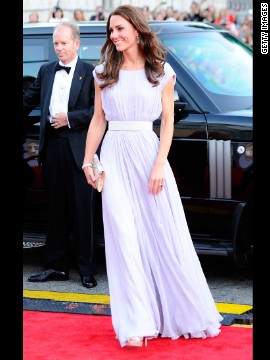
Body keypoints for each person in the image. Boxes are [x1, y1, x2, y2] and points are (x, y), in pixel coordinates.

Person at [82, 4, 223, 348]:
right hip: (113, 156)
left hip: (148, 155)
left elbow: (169, 123)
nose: (114, 35)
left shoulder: (160, 72)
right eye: (110, 31)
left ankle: (170, 312)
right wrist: (88, 160)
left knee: (161, 236)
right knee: (123, 239)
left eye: (119, 29)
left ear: (136, 29)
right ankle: (135, 323)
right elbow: (99, 120)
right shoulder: (103, 72)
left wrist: (160, 162)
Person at [23, 22, 97, 289]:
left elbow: (98, 112)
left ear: (76, 44)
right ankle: (56, 266)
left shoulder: (91, 72)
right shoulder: (45, 71)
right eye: (56, 44)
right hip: (51, 147)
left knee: (82, 211)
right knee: (54, 209)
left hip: (79, 148)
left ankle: (86, 270)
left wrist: (71, 119)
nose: (59, 48)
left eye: (64, 43)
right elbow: (27, 100)